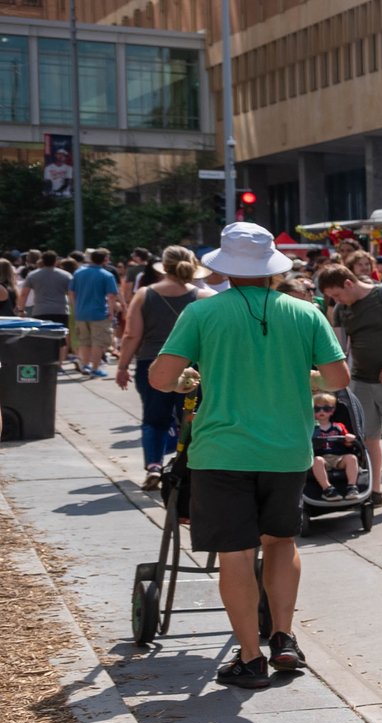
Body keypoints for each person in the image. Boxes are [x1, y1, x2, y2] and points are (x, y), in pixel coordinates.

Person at [149, 224, 350, 690]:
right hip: (286, 450)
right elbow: (338, 378)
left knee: (235, 555)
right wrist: (306, 379)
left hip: (221, 451)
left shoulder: (203, 312)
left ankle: (249, 656)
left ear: (223, 266)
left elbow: (161, 378)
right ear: (273, 269)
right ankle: (284, 637)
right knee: (281, 542)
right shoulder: (306, 312)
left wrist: (188, 379)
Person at [317, 263, 382, 513]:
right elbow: (340, 347)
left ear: (349, 283)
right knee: (369, 439)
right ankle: (374, 492)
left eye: (337, 294)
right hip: (361, 380)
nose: (336, 300)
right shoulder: (342, 309)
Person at [116, 245, 200, 489]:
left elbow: (132, 335)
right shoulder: (203, 297)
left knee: (154, 419)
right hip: (193, 365)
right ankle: (188, 468)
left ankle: (154, 466)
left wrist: (122, 366)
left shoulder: (145, 294)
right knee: (191, 417)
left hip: (151, 363)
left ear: (163, 266)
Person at [70, 248, 119, 376]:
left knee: (84, 341)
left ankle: (85, 365)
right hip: (99, 313)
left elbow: (71, 292)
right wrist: (112, 313)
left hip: (81, 313)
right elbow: (111, 296)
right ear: (105, 260)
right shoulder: (107, 275)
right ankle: (95, 368)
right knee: (98, 342)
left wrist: (76, 308)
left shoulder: (78, 273)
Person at [308, 391, 364, 497]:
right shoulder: (311, 428)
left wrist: (349, 439)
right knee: (317, 461)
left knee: (351, 458)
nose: (322, 411)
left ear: (332, 411)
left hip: (338, 457)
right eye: (317, 409)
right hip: (320, 457)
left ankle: (352, 486)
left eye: (326, 409)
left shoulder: (339, 426)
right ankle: (327, 488)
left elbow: (348, 445)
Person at [21, 250, 71, 327]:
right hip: (61, 310)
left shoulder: (32, 275)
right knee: (62, 335)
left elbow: (24, 294)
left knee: (43, 337)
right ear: (56, 261)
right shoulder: (66, 275)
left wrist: (21, 310)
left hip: (40, 311)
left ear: (42, 261)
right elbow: (71, 294)